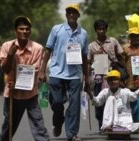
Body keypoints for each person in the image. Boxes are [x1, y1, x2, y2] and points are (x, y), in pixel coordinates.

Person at [39, 4, 91, 141]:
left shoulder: (83, 33)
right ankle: (58, 121)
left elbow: (85, 57)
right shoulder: (57, 29)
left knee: (74, 105)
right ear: (66, 15)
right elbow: (48, 50)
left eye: (74, 13)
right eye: (69, 12)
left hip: (74, 75)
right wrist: (42, 71)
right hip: (56, 72)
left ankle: (72, 133)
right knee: (56, 103)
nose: (72, 15)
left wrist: (87, 77)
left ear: (78, 15)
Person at [0, 16, 49, 141]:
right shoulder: (7, 46)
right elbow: (5, 69)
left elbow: (34, 70)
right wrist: (10, 56)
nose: (24, 31)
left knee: (38, 125)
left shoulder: (37, 48)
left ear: (30, 31)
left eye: (27, 29)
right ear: (15, 31)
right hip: (12, 94)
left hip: (31, 93)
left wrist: (41, 74)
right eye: (21, 29)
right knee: (9, 126)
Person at [88, 19, 124, 132]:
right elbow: (88, 63)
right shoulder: (91, 46)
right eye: (99, 29)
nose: (101, 31)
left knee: (114, 101)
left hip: (113, 78)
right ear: (96, 30)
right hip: (98, 78)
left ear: (106, 30)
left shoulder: (113, 41)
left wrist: (124, 72)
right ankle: (101, 124)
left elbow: (121, 56)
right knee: (99, 103)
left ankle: (114, 125)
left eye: (103, 29)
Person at [123, 14, 139, 124]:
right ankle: (134, 122)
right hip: (129, 80)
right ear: (129, 37)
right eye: (133, 36)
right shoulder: (125, 49)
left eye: (137, 35)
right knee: (132, 102)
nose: (135, 38)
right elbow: (121, 63)